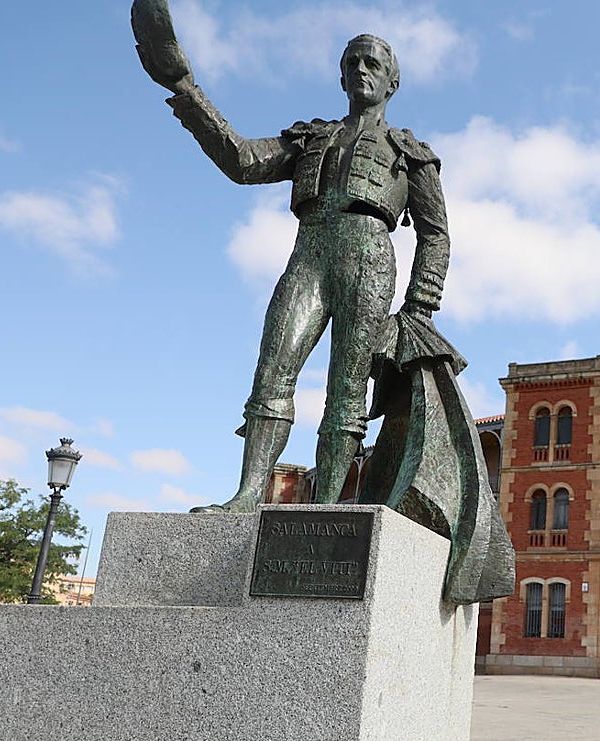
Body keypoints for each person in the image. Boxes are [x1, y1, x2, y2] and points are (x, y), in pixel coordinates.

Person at [134, 3, 448, 511]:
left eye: (371, 63)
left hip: (370, 258)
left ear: (393, 83)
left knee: (347, 389)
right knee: (272, 370)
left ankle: (325, 509)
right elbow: (241, 159)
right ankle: (248, 495)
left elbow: (435, 235)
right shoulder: (312, 138)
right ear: (341, 78)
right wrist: (185, 89)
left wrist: (419, 305)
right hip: (309, 255)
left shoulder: (410, 153)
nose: (361, 70)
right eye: (352, 63)